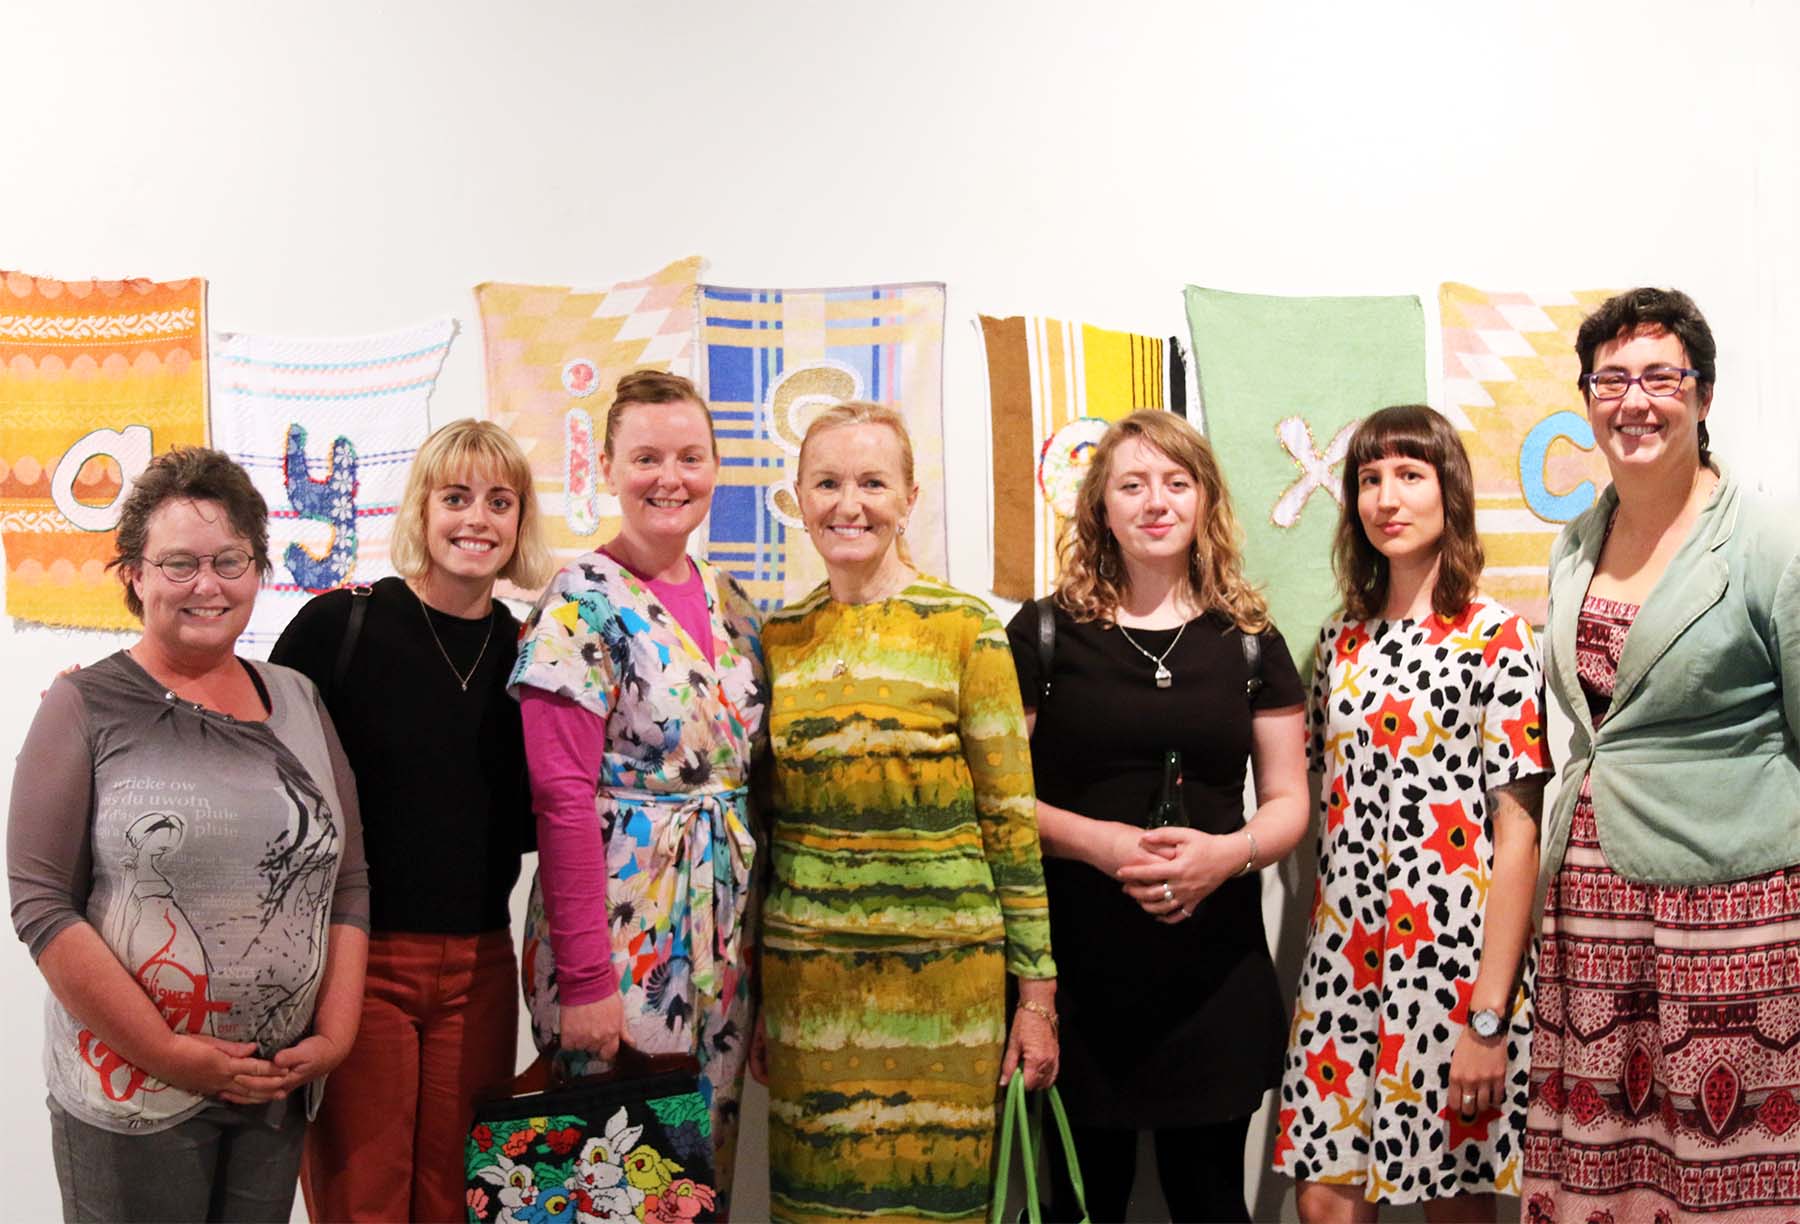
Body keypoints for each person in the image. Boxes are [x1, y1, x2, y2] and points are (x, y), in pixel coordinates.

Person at [7, 447, 369, 1223]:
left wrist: (334, 1036)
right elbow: (41, 904)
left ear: (258, 569)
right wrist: (170, 1054)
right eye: (178, 564)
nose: (207, 585)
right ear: (134, 575)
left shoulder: (299, 699)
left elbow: (349, 882)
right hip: (130, 1095)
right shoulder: (84, 705)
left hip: (273, 1086)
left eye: (229, 560)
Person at [1521, 289, 1800, 1221]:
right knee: (1611, 1167)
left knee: (1722, 1172)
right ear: (1588, 397)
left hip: (1729, 917)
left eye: (1660, 377)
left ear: (1704, 397)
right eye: (1611, 380)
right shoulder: (1575, 541)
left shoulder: (1769, 542)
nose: (1633, 401)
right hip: (1592, 911)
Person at [749, 399, 1058, 1223]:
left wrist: (1036, 1000)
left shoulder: (966, 631)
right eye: (828, 483)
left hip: (947, 990)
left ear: (910, 498)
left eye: (873, 482)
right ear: (799, 498)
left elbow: (1010, 821)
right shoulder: (778, 636)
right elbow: (768, 830)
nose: (850, 504)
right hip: (810, 986)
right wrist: (755, 995)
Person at [1004, 407, 1307, 1223]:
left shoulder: (1247, 641)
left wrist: (1227, 855)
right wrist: (1095, 842)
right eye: (1131, 485)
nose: (1155, 501)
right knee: (1077, 1202)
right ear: (1100, 506)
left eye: (1176, 482)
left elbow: (1288, 803)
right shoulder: (1042, 634)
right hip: (1075, 977)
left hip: (1213, 975)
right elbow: (996, 800)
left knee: (1212, 1204)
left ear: (1205, 500)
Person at [1274, 405, 1550, 1222]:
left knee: (1454, 1209)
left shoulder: (1496, 637)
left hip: (1455, 969)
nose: (1386, 498)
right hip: (1343, 966)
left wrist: (1490, 1018)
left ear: (1447, 491)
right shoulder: (1337, 644)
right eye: (1368, 479)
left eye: (1408, 475)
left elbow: (1519, 832)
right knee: (1324, 1200)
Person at [270, 419, 551, 1222]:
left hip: (482, 962)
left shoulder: (533, 653)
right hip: (362, 957)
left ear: (520, 522)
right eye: (456, 497)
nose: (477, 519)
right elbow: (247, 747)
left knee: (458, 1199)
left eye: (500, 502)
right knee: (362, 1197)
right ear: (421, 511)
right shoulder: (341, 626)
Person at [510, 370, 767, 1203]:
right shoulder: (580, 599)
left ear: (716, 470)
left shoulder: (736, 607)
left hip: (722, 943)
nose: (670, 477)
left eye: (691, 457)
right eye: (647, 457)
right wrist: (587, 982)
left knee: (697, 1183)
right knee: (612, 1185)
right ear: (609, 470)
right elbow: (558, 798)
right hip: (622, 947)